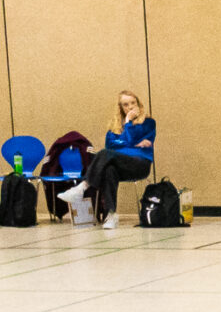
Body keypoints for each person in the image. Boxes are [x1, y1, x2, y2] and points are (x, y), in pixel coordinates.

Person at [55, 89, 153, 230]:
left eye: (133, 103)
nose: (130, 107)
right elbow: (111, 149)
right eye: (125, 104)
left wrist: (127, 124)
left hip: (140, 165)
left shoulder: (147, 123)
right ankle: (111, 215)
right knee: (109, 169)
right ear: (120, 108)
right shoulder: (113, 128)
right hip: (121, 165)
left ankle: (82, 188)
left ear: (138, 104)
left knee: (107, 155)